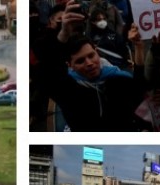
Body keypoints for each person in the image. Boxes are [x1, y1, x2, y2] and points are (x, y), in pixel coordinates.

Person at [32, 0, 145, 131]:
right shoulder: (68, 90)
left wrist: (139, 48)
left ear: (97, 53)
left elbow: (139, 89)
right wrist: (63, 34)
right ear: (70, 65)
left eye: (91, 56)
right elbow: (47, 73)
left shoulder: (118, 79)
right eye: (80, 61)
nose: (89, 63)